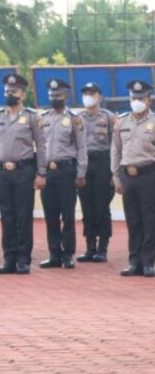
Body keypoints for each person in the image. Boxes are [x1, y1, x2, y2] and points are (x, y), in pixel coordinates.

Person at [0, 73, 47, 275]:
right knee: (6, 216)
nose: (9, 94)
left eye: (14, 91)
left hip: (24, 171)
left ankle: (23, 259)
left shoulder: (31, 117)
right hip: (2, 171)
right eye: (7, 91)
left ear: (22, 94)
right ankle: (9, 259)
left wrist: (41, 173)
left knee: (23, 216)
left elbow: (41, 145)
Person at [38, 79, 87, 269]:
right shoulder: (42, 118)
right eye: (52, 95)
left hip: (67, 170)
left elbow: (82, 147)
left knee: (67, 215)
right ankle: (54, 254)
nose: (54, 98)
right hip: (48, 172)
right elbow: (39, 147)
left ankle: (68, 254)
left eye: (58, 95)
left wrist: (81, 172)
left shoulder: (74, 118)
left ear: (66, 96)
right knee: (50, 215)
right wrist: (39, 172)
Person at [112, 80, 155, 277]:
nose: (136, 101)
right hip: (127, 176)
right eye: (133, 98)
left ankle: (148, 262)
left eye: (140, 98)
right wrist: (116, 177)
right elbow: (115, 151)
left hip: (149, 174)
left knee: (149, 219)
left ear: (148, 100)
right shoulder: (122, 122)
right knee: (133, 219)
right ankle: (134, 261)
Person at [77, 82, 116, 263]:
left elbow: (115, 145)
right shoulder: (78, 118)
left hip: (103, 163)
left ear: (99, 96)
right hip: (84, 164)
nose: (88, 97)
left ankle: (102, 248)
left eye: (92, 93)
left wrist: (114, 171)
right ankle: (90, 247)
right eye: (85, 93)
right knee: (87, 207)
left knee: (102, 207)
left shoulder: (108, 117)